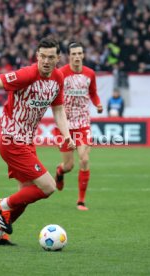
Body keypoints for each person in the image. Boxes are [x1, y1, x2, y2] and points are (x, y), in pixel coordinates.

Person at [0, 37, 75, 246]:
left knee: (26, 193)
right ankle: (2, 204)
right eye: (43, 56)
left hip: (27, 141)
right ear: (37, 56)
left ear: (58, 58)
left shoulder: (58, 78)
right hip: (12, 140)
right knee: (48, 186)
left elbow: (58, 109)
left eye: (51, 57)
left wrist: (66, 135)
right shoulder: (27, 74)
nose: (46, 61)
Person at [54, 42, 103, 211]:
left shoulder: (90, 73)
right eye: (73, 53)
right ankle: (60, 172)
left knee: (85, 159)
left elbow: (93, 92)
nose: (76, 56)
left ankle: (81, 201)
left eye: (79, 53)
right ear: (69, 56)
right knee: (68, 166)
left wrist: (98, 103)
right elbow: (54, 96)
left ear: (83, 55)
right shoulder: (61, 73)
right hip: (65, 125)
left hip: (83, 123)